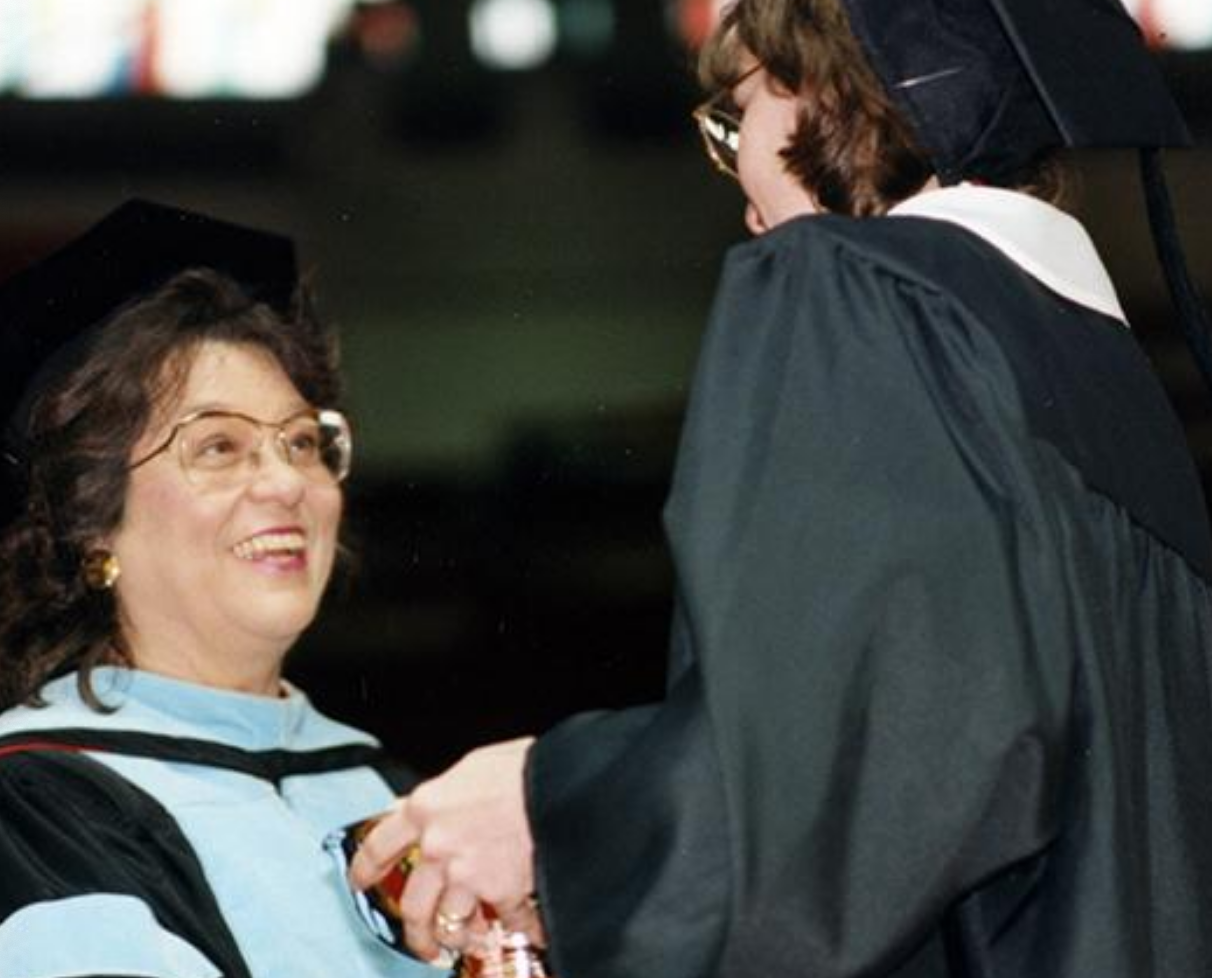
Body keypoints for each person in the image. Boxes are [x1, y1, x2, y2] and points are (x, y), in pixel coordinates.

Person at [350, 0, 1212, 976]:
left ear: (825, 97)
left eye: (739, 115)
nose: (742, 192)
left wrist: (555, 813)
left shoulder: (865, 295)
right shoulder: (1110, 386)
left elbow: (870, 767)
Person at [0, 200, 444, 978]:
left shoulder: (380, 786)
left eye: (302, 441)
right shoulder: (36, 810)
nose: (285, 483)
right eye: (218, 447)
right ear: (91, 520)